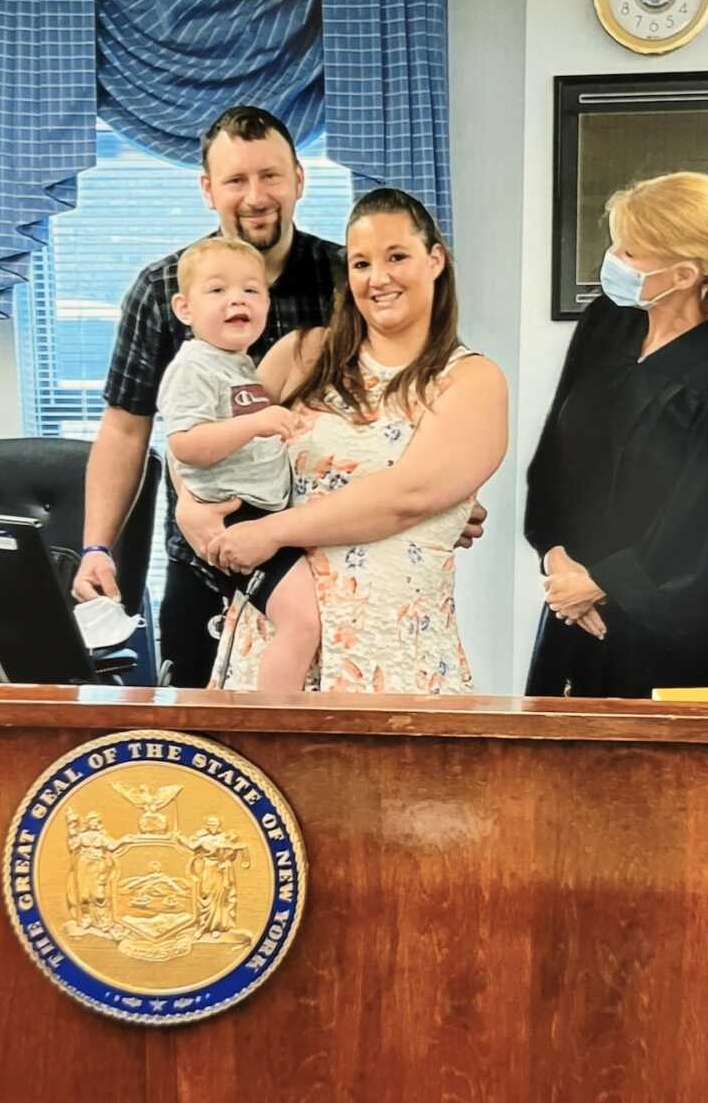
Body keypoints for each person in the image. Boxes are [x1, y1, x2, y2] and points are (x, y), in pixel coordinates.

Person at [72, 104, 486, 687]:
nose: (255, 196)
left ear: (298, 179)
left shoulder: (347, 279)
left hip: (324, 560)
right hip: (205, 554)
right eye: (236, 180)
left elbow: (414, 391)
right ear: (208, 189)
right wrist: (97, 547)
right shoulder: (164, 290)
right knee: (206, 750)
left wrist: (447, 495)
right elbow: (126, 429)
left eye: (269, 176)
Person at [185, 187, 508, 694]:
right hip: (273, 648)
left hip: (391, 659)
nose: (377, 278)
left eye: (396, 257)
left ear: (435, 260)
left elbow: (407, 497)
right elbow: (203, 436)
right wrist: (192, 510)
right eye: (360, 263)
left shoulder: (471, 381)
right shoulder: (299, 355)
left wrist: (272, 531)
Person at [524, 171, 708, 698]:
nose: (614, 259)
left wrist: (601, 585)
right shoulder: (609, 324)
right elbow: (556, 454)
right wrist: (557, 559)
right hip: (570, 612)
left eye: (631, 251)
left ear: (685, 273)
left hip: (665, 646)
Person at [157, 236, 320, 691]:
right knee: (301, 622)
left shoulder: (237, 364)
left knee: (286, 624)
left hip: (265, 511)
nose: (237, 299)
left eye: (251, 290)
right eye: (217, 290)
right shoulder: (193, 368)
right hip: (241, 515)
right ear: (184, 308)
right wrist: (256, 425)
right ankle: (273, 723)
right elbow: (185, 444)